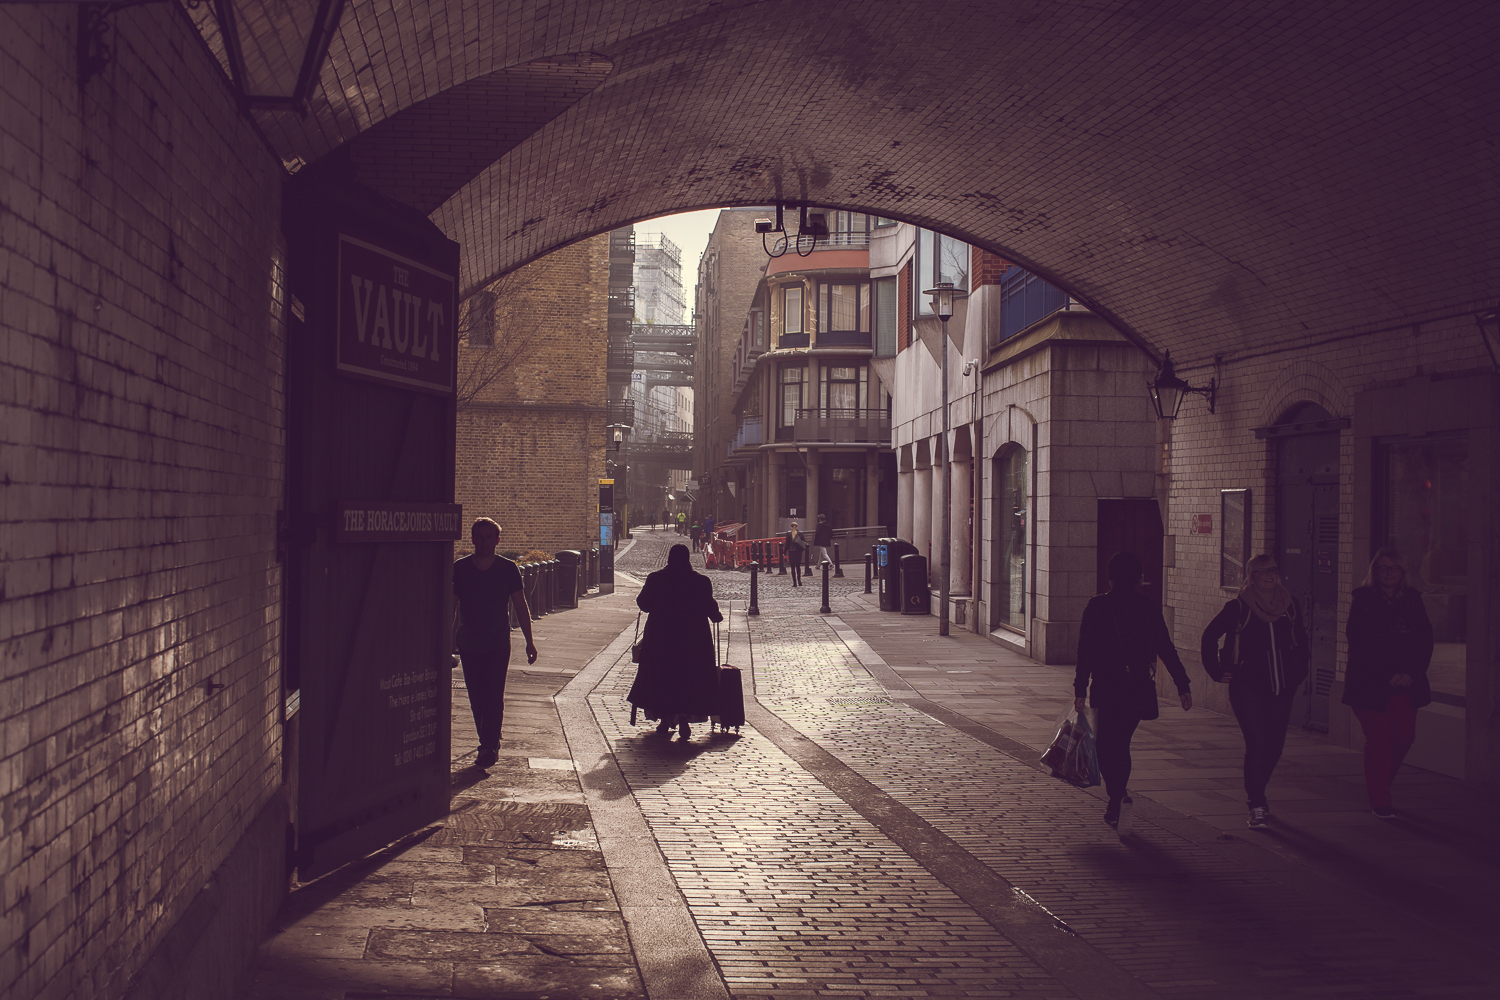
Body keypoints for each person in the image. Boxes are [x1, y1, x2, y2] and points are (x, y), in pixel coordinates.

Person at [1074, 552, 1192, 834]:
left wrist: (1079, 689)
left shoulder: (1097, 606)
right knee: (1121, 743)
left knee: (1105, 745)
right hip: (1136, 686)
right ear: (1139, 577)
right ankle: (1117, 801)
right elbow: (1165, 647)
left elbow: (1085, 651)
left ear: (1110, 577)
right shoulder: (1147, 608)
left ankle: (1117, 799)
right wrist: (1182, 684)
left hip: (1106, 685)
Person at [1200, 553, 1309, 829]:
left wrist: (1298, 673)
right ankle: (1256, 803)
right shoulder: (1238, 607)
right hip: (1248, 688)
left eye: (1273, 569)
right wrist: (1217, 669)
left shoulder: (1290, 605)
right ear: (1251, 577)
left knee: (1275, 746)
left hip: (1282, 687)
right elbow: (1209, 636)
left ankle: (1257, 790)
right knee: (1258, 745)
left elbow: (1302, 642)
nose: (1269, 575)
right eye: (1262, 571)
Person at [1343, 549, 1433, 819]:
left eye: (1394, 568)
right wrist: (1386, 674)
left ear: (1402, 572)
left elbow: (1424, 640)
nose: (1389, 573)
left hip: (1407, 682)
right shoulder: (1364, 600)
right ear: (1375, 572)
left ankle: (1379, 784)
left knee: (1404, 738)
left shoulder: (1414, 600)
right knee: (1380, 741)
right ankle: (1380, 801)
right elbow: (1359, 642)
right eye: (1383, 568)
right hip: (1371, 685)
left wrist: (1412, 672)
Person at [453, 518, 538, 769]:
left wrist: (529, 642)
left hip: (498, 641)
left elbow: (520, 606)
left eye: (489, 537)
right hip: (468, 641)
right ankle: (488, 738)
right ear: (472, 539)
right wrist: (448, 640)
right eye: (479, 537)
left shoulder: (508, 569)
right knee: (476, 694)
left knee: (493, 694)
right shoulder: (460, 568)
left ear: (497, 540)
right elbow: (452, 605)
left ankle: (488, 746)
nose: (484, 542)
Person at [628, 544, 724, 741]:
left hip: (661, 640)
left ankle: (665, 719)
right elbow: (711, 609)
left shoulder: (656, 579)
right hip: (693, 642)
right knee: (687, 679)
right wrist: (717, 616)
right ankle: (683, 719)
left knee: (664, 678)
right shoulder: (701, 581)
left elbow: (643, 604)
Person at [785, 521, 806, 587]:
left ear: (791, 527)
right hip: (798, 552)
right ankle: (799, 581)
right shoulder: (800, 533)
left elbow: (787, 544)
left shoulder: (788, 534)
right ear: (797, 527)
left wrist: (784, 552)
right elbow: (803, 542)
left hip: (791, 552)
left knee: (792, 568)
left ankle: (794, 583)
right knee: (798, 566)